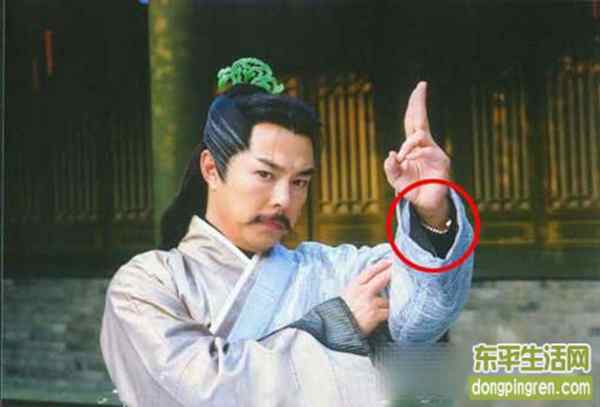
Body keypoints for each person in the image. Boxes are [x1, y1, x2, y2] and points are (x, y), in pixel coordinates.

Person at [100, 57, 474, 406]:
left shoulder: (328, 269)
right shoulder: (145, 284)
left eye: (299, 182)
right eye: (265, 174)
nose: (284, 199)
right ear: (211, 169)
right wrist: (332, 325)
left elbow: (420, 313)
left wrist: (431, 213)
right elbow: (193, 390)